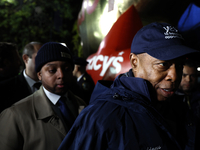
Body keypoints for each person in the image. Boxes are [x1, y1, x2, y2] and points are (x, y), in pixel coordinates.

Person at [58, 22, 200, 150]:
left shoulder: (179, 108)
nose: (174, 76)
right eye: (163, 64)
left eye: (180, 65)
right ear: (134, 62)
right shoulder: (101, 117)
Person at [0, 42, 87, 150]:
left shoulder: (82, 105)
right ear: (40, 75)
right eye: (52, 70)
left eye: (66, 69)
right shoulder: (14, 115)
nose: (61, 75)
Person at [0, 41, 43, 112]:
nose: (19, 63)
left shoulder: (54, 84)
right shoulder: (4, 89)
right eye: (40, 56)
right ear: (25, 58)